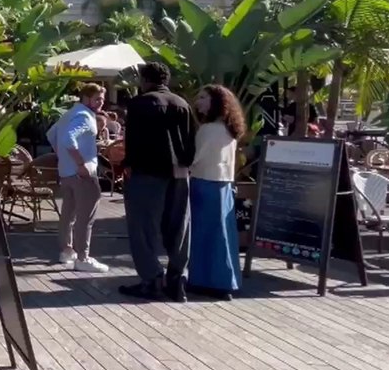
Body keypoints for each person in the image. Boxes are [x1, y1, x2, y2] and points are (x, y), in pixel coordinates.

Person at [120, 62, 196, 302]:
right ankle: (177, 280)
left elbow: (133, 141)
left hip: (147, 173)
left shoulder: (139, 104)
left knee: (143, 229)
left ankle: (152, 279)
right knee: (180, 229)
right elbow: (190, 140)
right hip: (180, 174)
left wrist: (128, 165)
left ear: (144, 80)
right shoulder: (182, 104)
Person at [189, 85, 244, 300]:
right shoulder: (229, 129)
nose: (198, 101)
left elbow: (194, 158)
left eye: (203, 97)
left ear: (216, 102)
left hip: (204, 184)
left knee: (204, 234)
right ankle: (225, 280)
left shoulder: (208, 129)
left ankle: (206, 280)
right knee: (223, 234)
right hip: (223, 185)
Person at [47, 83, 109, 273]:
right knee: (85, 217)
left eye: (102, 99)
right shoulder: (84, 116)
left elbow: (51, 134)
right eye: (97, 99)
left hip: (66, 173)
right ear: (86, 98)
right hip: (82, 174)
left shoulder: (70, 113)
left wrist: (64, 158)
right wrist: (81, 163)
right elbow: (67, 139)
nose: (101, 103)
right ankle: (83, 257)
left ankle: (67, 250)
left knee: (68, 214)